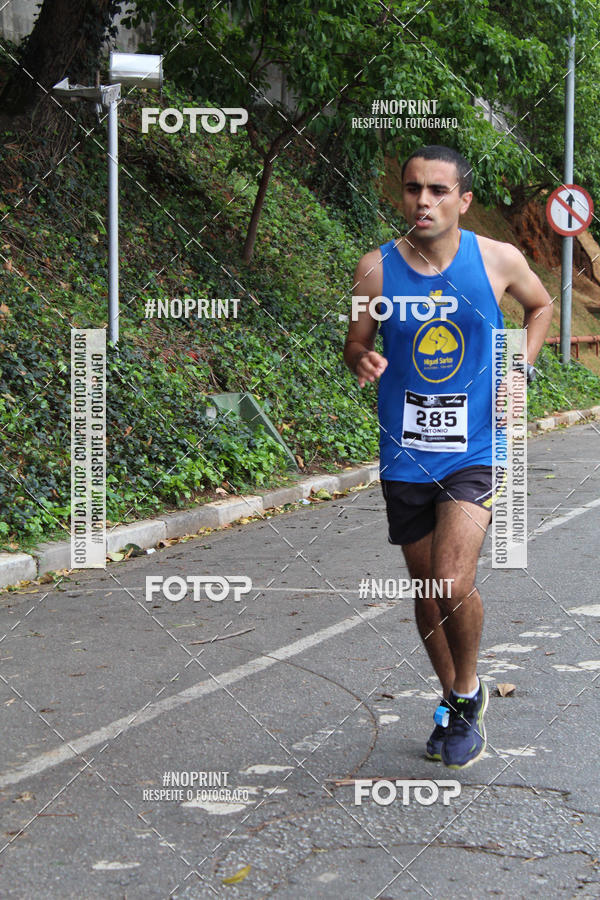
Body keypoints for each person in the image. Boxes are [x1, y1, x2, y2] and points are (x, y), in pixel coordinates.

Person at [344, 145, 553, 769]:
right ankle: (457, 698)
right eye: (413, 189)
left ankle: (466, 691)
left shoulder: (497, 260)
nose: (423, 201)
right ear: (401, 196)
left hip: (476, 448)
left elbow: (541, 307)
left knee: (450, 579)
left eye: (438, 190)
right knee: (426, 588)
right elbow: (354, 342)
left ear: (463, 200)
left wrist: (521, 365)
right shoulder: (375, 270)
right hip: (405, 452)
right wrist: (362, 359)